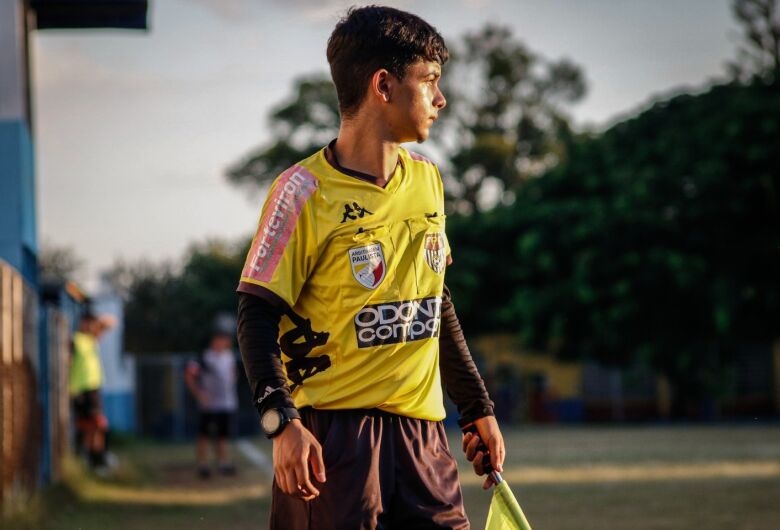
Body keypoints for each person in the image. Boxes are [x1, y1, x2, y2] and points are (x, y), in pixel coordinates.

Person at [236, 6, 505, 529]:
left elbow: (435, 300)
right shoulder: (301, 192)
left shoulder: (428, 179)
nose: (440, 99)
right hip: (334, 442)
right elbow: (254, 312)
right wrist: (281, 424)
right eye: (429, 82)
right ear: (383, 85)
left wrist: (476, 406)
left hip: (423, 439)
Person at [185, 330, 239, 478]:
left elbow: (233, 374)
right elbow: (190, 374)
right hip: (209, 405)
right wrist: (199, 394)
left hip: (227, 403)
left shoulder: (229, 357)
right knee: (204, 434)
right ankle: (203, 465)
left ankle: (223, 463)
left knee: (223, 434)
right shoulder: (205, 357)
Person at [69, 311, 115, 472]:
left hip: (93, 388)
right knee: (91, 425)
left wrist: (98, 323)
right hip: (81, 389)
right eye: (88, 323)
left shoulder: (91, 339)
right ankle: (94, 460)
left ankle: (95, 459)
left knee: (96, 425)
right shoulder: (76, 340)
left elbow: (111, 322)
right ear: (82, 323)